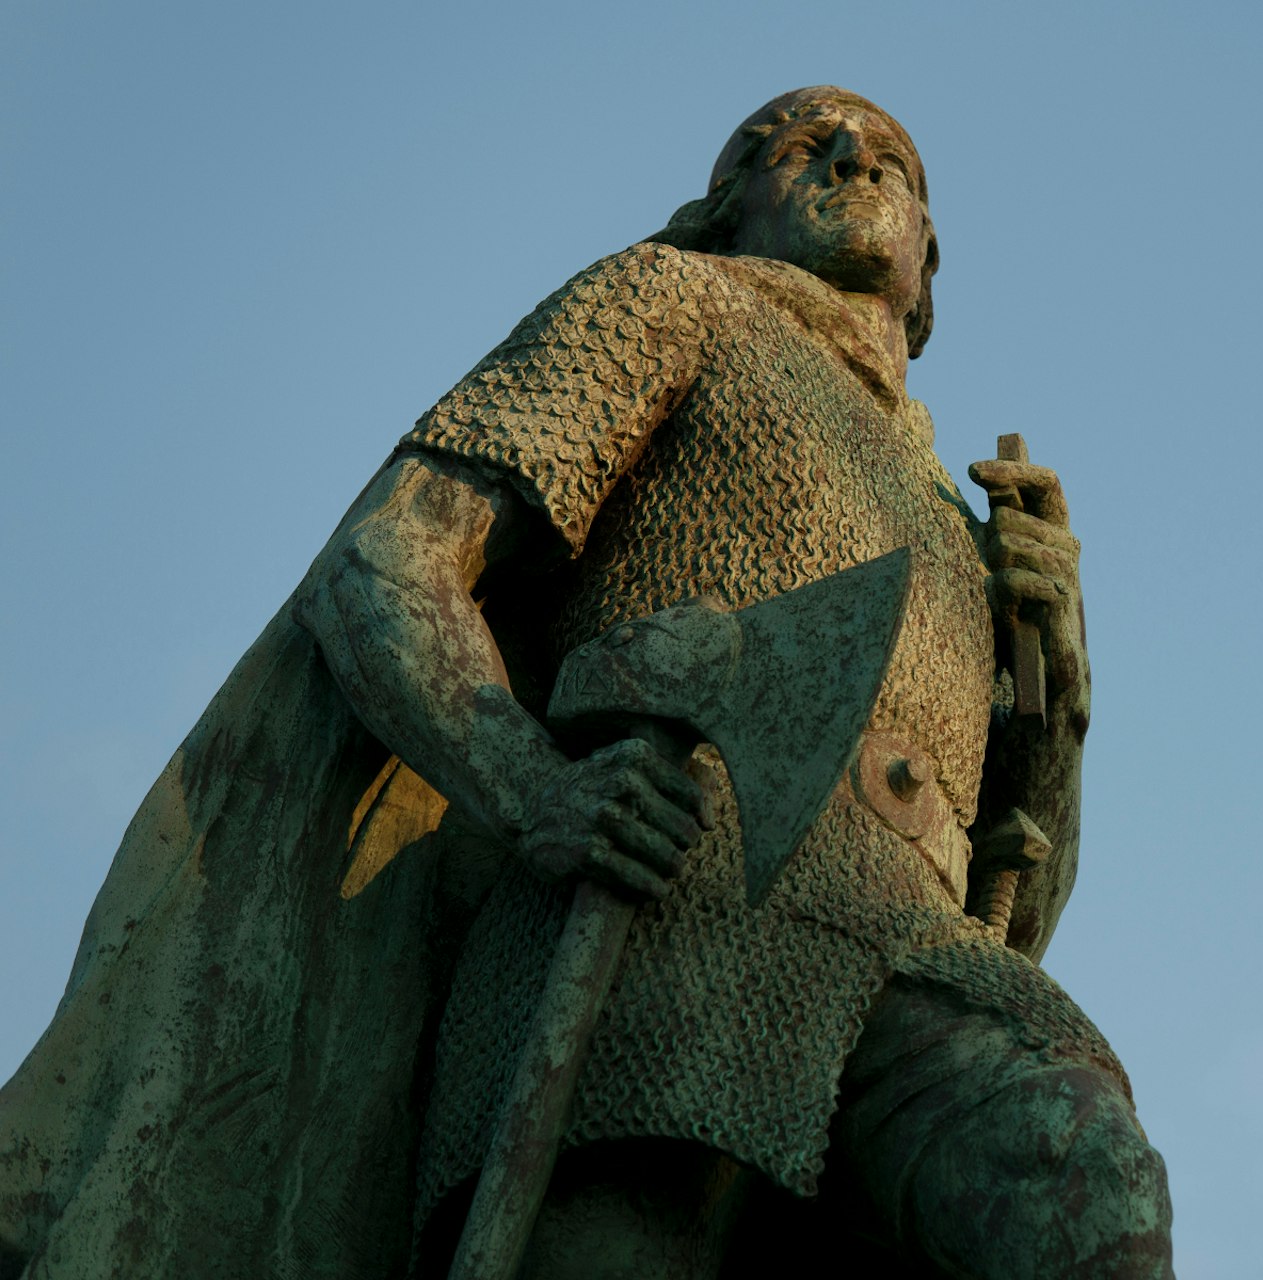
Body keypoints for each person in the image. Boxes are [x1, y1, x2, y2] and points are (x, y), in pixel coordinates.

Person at [0, 88, 1172, 1278]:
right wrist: (530, 787)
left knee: (1086, 1175)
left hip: (903, 951)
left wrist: (1059, 679)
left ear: (928, 266)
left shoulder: (963, 517)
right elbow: (386, 560)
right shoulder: (672, 301)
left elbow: (1013, 910)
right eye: (796, 145)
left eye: (894, 161)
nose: (852, 156)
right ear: (726, 210)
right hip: (654, 920)